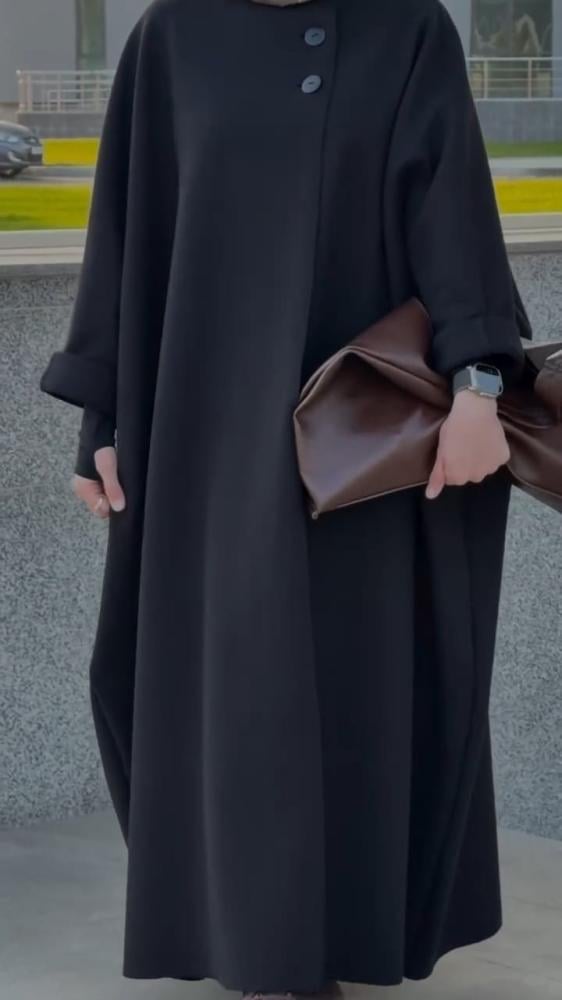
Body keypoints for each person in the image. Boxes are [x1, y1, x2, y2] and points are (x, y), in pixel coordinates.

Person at [39, 0, 533, 996]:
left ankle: (340, 939)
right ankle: (255, 944)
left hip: (361, 438)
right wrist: (103, 421)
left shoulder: (407, 30)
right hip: (206, 435)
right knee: (233, 685)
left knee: (355, 680)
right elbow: (129, 235)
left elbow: (451, 214)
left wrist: (479, 386)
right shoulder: (172, 38)